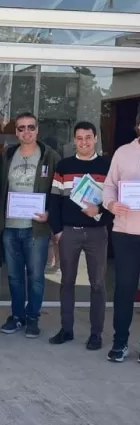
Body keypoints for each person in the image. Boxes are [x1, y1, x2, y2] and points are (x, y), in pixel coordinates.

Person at [0, 112, 60, 338]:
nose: (26, 132)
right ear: (16, 132)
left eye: (30, 127)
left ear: (37, 129)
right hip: (11, 227)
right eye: (21, 128)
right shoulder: (8, 155)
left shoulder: (49, 157)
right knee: (14, 276)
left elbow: (59, 192)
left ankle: (33, 317)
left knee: (35, 276)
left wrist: (50, 215)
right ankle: (17, 316)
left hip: (36, 228)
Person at [47, 121, 111, 351]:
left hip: (96, 233)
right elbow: (54, 201)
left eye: (88, 137)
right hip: (69, 233)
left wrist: (101, 211)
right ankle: (66, 329)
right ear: (74, 140)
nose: (84, 142)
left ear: (95, 139)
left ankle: (96, 334)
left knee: (97, 284)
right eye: (79, 138)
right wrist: (58, 231)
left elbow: (114, 201)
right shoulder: (64, 166)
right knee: (66, 282)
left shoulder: (107, 166)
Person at [101, 116, 140, 363]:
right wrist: (111, 203)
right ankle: (120, 342)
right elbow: (108, 186)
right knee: (125, 289)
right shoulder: (123, 152)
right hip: (125, 232)